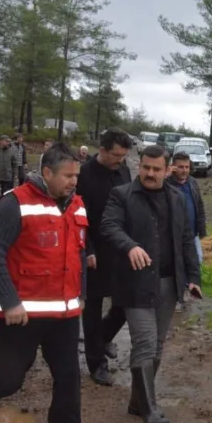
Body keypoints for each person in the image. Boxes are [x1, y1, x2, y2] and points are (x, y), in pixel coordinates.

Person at [0, 142, 87, 423]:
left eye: (76, 176)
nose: (73, 182)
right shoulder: (14, 203)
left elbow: (80, 252)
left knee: (69, 378)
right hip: (22, 315)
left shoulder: (78, 205)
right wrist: (9, 302)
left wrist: (82, 293)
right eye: (67, 176)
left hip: (65, 315)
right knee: (8, 379)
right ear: (47, 172)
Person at [100, 144, 201, 423]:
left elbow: (186, 239)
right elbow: (108, 226)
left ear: (168, 170)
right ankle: (151, 412)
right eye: (146, 167)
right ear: (139, 165)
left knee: (157, 344)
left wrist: (193, 277)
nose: (150, 173)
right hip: (135, 282)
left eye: (157, 169)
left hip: (169, 283)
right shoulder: (122, 195)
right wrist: (129, 246)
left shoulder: (176, 198)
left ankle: (137, 402)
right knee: (144, 341)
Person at [77, 128, 133, 386]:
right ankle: (96, 362)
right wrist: (88, 248)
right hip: (94, 251)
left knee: (125, 303)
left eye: (123, 156)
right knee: (92, 308)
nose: (120, 160)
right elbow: (78, 217)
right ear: (102, 150)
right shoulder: (84, 175)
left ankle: (102, 338)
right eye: (116, 155)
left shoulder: (124, 171)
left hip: (120, 248)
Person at [166, 152, 207, 312]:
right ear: (173, 167)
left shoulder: (192, 182)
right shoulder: (167, 184)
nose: (184, 170)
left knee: (197, 259)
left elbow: (200, 205)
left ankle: (186, 288)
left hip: (192, 232)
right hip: (175, 233)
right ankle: (179, 295)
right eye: (180, 167)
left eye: (187, 167)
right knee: (178, 263)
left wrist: (202, 229)